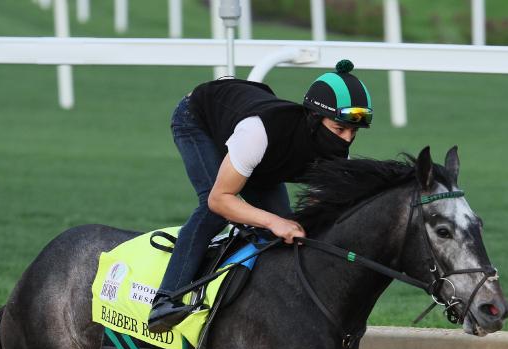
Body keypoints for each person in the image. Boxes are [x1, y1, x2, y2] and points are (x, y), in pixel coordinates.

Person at [147, 59, 374, 332]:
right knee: (215, 212)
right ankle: (165, 299)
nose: (347, 139)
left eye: (354, 131)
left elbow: (317, 210)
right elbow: (219, 199)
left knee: (287, 228)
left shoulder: (336, 150)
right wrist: (272, 222)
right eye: (339, 129)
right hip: (198, 118)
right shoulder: (259, 131)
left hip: (261, 153)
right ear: (314, 118)